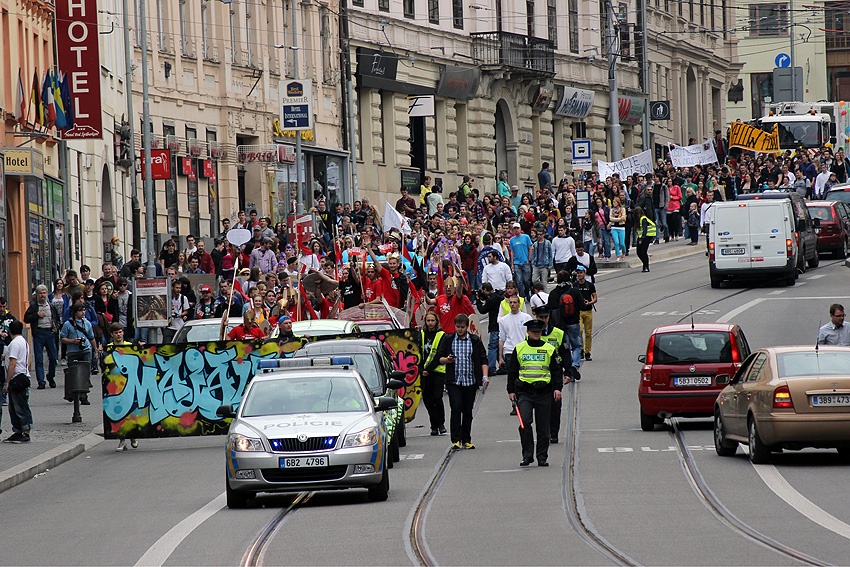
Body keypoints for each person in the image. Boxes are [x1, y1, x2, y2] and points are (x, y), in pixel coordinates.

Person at [424, 313, 488, 450]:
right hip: (454, 381)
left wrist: (484, 376)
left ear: (467, 327)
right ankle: (456, 440)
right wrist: (447, 360)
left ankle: (466, 439)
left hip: (470, 380)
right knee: (456, 408)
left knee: (467, 411)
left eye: (462, 327)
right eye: (458, 327)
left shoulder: (475, 340)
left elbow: (483, 359)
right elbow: (439, 358)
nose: (460, 329)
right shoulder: (449, 339)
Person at [506, 318, 563, 467]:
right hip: (524, 392)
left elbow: (556, 371)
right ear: (528, 332)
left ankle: (542, 457)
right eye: (533, 331)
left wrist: (558, 388)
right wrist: (511, 390)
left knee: (543, 428)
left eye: (538, 331)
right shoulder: (519, 348)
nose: (536, 334)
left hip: (544, 393)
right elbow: (512, 371)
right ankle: (527, 455)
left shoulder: (549, 349)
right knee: (524, 423)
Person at [535, 306, 570, 443]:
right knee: (542, 406)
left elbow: (565, 354)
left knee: (555, 404)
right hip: (538, 374)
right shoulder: (531, 333)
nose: (544, 320)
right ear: (536, 317)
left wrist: (567, 371)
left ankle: (554, 433)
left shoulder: (558, 333)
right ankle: (545, 432)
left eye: (546, 317)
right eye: (541, 317)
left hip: (555, 373)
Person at [107, 323, 141, 450]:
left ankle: (133, 435)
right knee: (118, 414)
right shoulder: (108, 348)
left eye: (120, 332)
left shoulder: (130, 346)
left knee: (131, 412)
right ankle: (122, 440)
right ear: (112, 335)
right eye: (116, 333)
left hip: (130, 385)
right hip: (115, 387)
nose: (118, 334)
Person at [546, 270, 583, 381]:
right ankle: (575, 365)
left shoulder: (554, 293)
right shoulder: (575, 291)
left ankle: (568, 367)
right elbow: (582, 305)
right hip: (573, 322)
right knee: (576, 345)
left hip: (559, 325)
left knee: (565, 348)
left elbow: (551, 308)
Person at [24, 284, 61, 389]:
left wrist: (56, 327)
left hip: (50, 333)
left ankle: (50, 376)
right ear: (37, 294)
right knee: (39, 359)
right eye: (40, 293)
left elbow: (57, 319)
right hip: (39, 334)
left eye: (44, 293)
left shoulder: (51, 306)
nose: (42, 295)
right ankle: (41, 381)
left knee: (53, 358)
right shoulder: (34, 306)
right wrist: (36, 315)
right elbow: (26, 319)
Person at [498, 295, 533, 405]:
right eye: (511, 303)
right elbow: (502, 339)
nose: (512, 304)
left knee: (523, 376)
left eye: (514, 302)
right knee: (513, 377)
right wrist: (500, 357)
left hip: (523, 350)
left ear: (519, 304)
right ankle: (515, 402)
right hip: (509, 351)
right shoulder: (504, 320)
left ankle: (524, 399)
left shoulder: (526, 318)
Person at [60, 303, 96, 405]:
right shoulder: (68, 324)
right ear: (75, 312)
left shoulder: (87, 323)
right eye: (80, 310)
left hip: (85, 350)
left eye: (84, 310)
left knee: (85, 374)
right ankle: (72, 393)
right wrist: (72, 341)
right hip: (73, 351)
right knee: (72, 373)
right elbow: (62, 338)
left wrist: (96, 351)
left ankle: (84, 396)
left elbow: (91, 338)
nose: (83, 312)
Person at [3, 321, 33, 443]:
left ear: (10, 331)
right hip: (23, 375)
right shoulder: (24, 341)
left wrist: (7, 381)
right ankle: (18, 431)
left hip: (17, 377)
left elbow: (13, 363)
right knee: (15, 407)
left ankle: (25, 431)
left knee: (20, 406)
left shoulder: (15, 343)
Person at [420, 311, 447, 436]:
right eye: (428, 320)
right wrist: (422, 370)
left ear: (436, 322)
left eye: (432, 320)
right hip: (424, 373)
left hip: (437, 371)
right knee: (427, 400)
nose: (430, 323)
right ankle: (433, 425)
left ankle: (440, 424)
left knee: (437, 398)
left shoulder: (441, 335)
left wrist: (428, 369)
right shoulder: (421, 334)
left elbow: (439, 354)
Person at [475, 282, 504, 375]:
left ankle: (491, 367)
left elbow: (483, 310)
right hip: (498, 325)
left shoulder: (493, 299)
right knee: (497, 346)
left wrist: (478, 300)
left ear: (486, 290)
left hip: (495, 325)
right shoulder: (496, 296)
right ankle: (504, 365)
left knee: (492, 346)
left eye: (483, 291)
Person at [573, 265, 597, 361]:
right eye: (578, 273)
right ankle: (581, 350)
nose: (579, 275)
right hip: (578, 311)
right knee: (580, 331)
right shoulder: (574, 285)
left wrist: (590, 302)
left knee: (588, 333)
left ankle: (588, 351)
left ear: (584, 273)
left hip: (588, 311)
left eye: (581, 273)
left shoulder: (590, 285)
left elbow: (595, 298)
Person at [509, 222, 533, 299]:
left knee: (526, 280)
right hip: (517, 262)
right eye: (514, 229)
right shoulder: (512, 240)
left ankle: (527, 291)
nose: (516, 230)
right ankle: (522, 296)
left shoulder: (526, 237)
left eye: (517, 228)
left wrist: (529, 259)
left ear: (520, 229)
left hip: (525, 261)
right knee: (519, 281)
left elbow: (530, 248)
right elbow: (512, 252)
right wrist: (512, 263)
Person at [634, 206, 656, 273]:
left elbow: (645, 229)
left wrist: (641, 239)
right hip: (641, 236)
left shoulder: (643, 219)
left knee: (643, 252)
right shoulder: (638, 219)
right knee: (639, 252)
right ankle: (645, 263)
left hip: (646, 237)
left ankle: (646, 266)